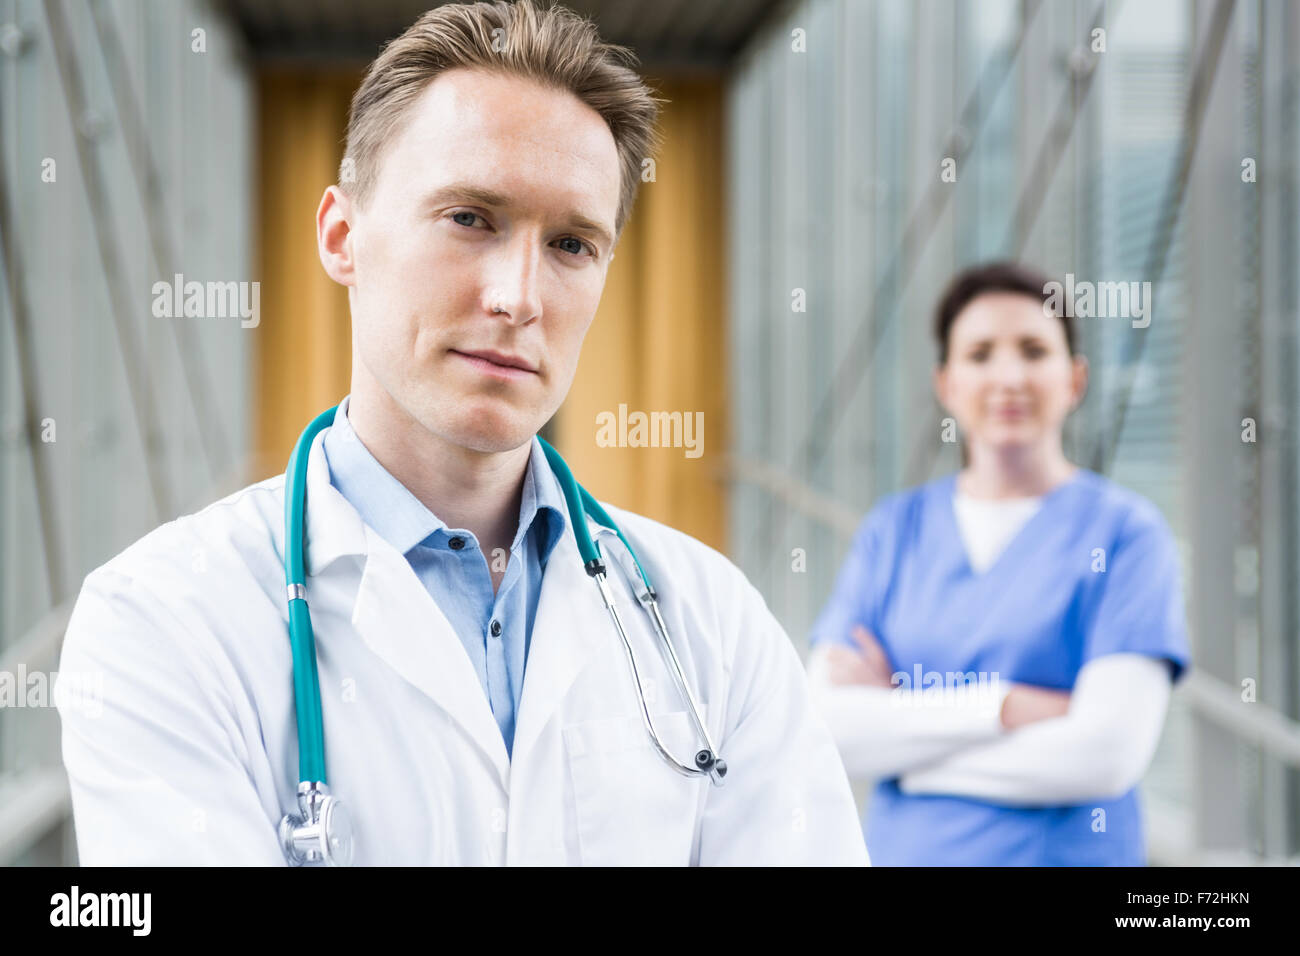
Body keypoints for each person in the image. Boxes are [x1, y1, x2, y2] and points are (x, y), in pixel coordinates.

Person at [55, 0, 866, 866]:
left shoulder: (715, 622)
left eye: (571, 243)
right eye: (470, 218)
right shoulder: (161, 620)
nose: (519, 297)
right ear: (342, 236)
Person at [806, 261, 1191, 866]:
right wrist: (1005, 706)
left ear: (1075, 378)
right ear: (947, 384)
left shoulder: (1127, 535)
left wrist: (909, 752)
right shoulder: (892, 531)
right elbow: (828, 728)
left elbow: (1106, 754)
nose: (1008, 375)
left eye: (1034, 350)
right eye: (981, 353)